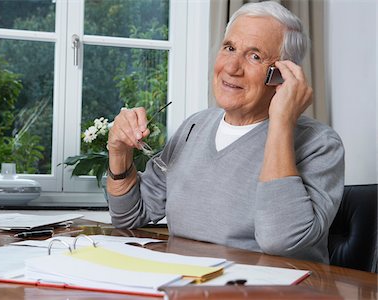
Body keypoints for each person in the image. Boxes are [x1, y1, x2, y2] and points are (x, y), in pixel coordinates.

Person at [105, 1, 344, 263]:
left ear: (282, 75)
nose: (231, 67)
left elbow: (281, 241)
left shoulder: (320, 144)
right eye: (229, 48)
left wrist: (282, 123)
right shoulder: (194, 127)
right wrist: (118, 152)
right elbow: (129, 216)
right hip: (189, 282)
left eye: (254, 56)